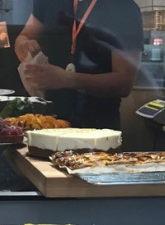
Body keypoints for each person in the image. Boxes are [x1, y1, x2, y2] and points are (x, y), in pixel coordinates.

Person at [15, 0, 143, 130]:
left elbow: (125, 82)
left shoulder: (124, 7)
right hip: (46, 123)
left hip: (97, 129)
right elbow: (24, 36)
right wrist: (23, 44)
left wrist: (67, 79)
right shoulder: (48, 2)